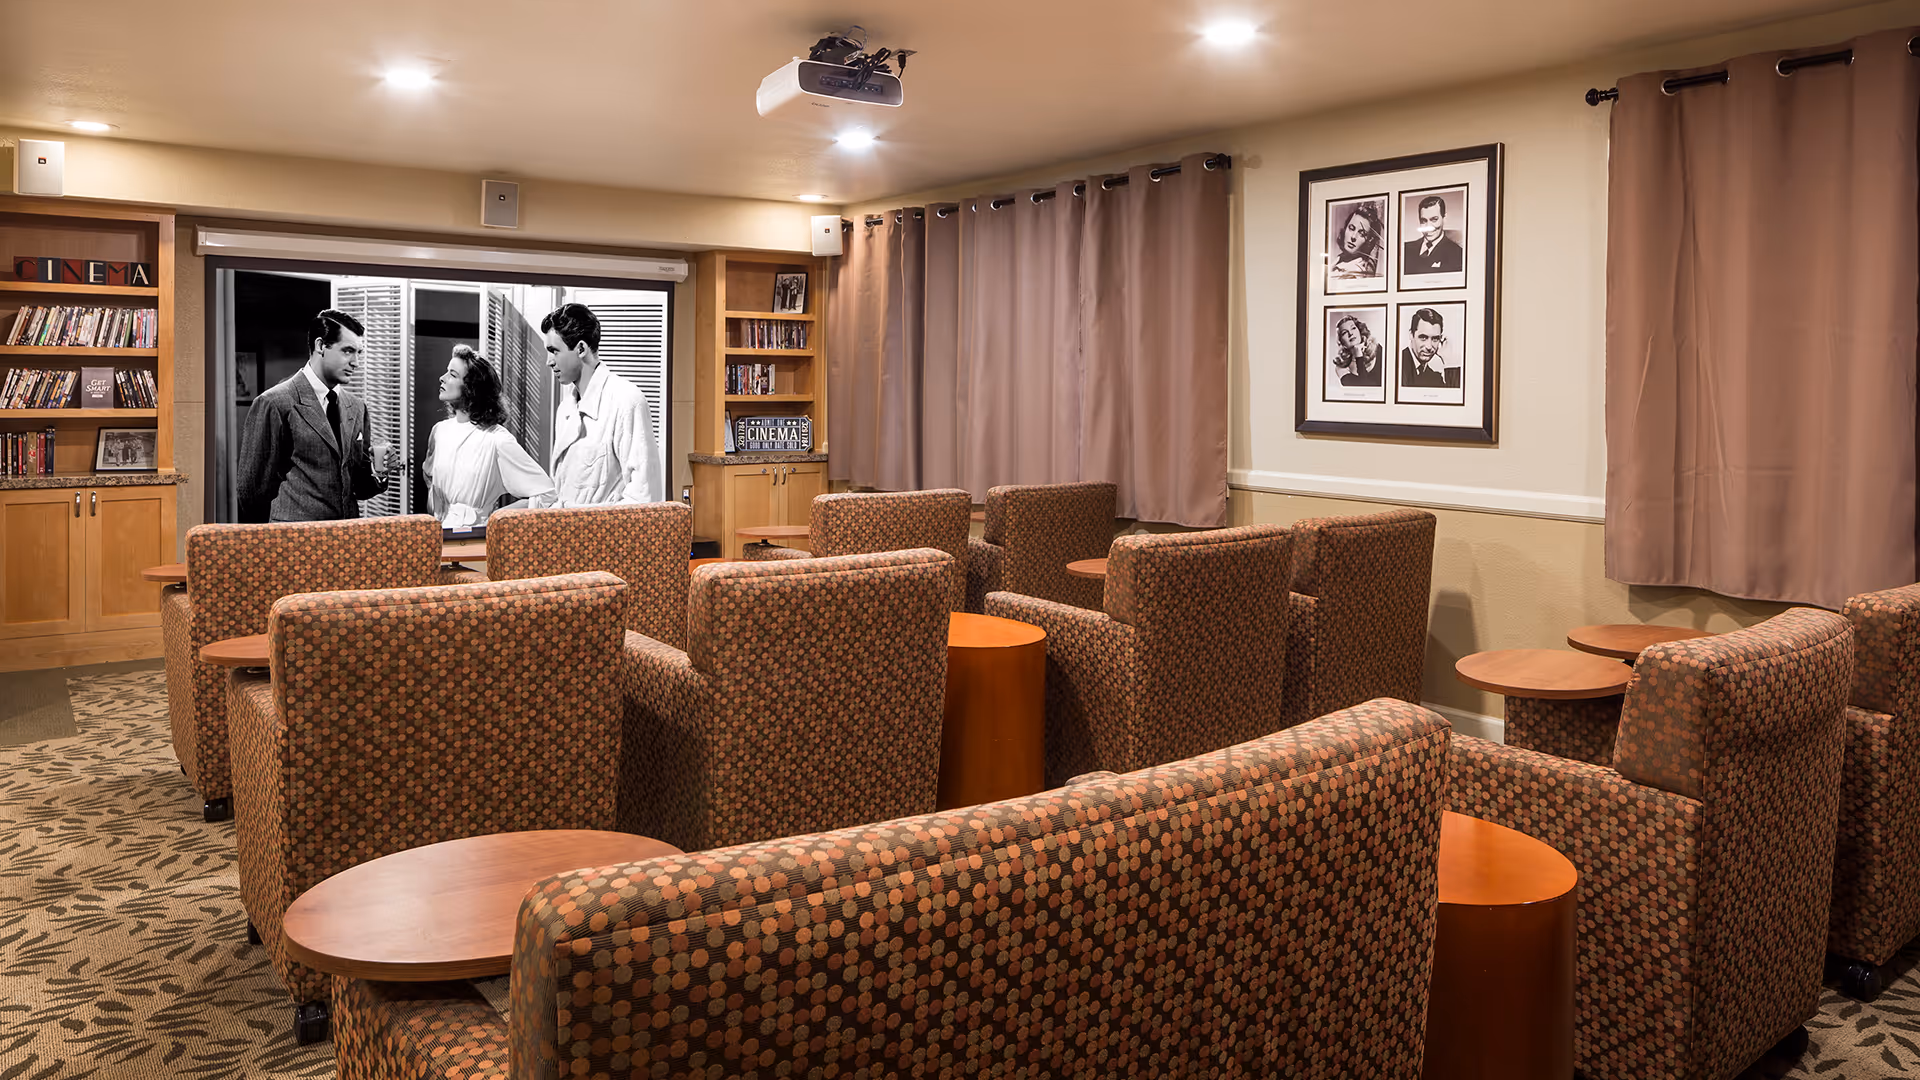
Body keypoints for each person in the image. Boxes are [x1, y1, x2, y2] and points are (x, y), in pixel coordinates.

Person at [236, 308, 399, 522]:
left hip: (346, 541)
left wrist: (379, 471)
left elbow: (358, 487)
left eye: (359, 352)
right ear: (320, 346)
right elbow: (251, 492)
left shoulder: (357, 408)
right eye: (347, 351)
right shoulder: (275, 403)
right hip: (294, 543)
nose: (356, 362)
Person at [536, 302, 662, 506]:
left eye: (554, 351)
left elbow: (644, 497)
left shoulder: (626, 400)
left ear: (581, 349)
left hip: (607, 536)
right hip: (565, 533)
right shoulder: (565, 409)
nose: (549, 361)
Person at [422, 345, 555, 530]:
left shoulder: (496, 439)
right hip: (439, 539)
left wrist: (498, 518)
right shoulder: (439, 432)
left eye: (452, 374)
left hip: (477, 541)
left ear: (472, 388)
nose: (442, 378)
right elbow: (431, 489)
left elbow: (547, 494)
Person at [1402, 194, 1464, 275]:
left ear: (1444, 219)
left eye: (1434, 219)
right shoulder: (1405, 249)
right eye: (1424, 221)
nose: (1428, 226)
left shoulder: (1458, 254)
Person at [1400, 308, 1460, 388]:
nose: (1429, 346)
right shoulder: (1394, 364)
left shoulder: (1435, 378)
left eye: (1435, 339)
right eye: (1423, 338)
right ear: (1411, 334)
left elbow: (1454, 398)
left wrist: (1449, 361)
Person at [1330, 202, 1384, 279]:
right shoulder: (1339, 260)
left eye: (1362, 234)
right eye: (1351, 228)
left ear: (1369, 240)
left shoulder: (1355, 273)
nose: (1353, 237)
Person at [1331, 315, 1383, 386]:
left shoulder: (1378, 349)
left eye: (1353, 328)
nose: (1350, 333)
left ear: (1359, 331)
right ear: (1341, 342)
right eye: (1344, 333)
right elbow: (1363, 387)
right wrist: (1359, 356)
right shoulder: (1341, 368)